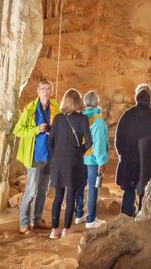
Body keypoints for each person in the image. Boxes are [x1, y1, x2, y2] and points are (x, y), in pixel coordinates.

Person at [9, 78, 55, 232]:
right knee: (31, 191)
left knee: (43, 190)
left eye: (48, 89)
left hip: (49, 155)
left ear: (51, 91)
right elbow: (18, 130)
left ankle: (37, 220)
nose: (46, 92)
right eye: (43, 89)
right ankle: (23, 223)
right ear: (38, 92)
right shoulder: (30, 110)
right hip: (34, 155)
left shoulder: (55, 107)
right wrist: (36, 130)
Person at [114, 84, 151, 217]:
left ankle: (125, 219)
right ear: (150, 98)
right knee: (146, 191)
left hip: (129, 160)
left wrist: (122, 154)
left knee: (129, 191)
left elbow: (118, 138)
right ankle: (142, 218)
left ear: (136, 97)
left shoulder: (127, 115)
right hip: (147, 161)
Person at [46, 89, 90, 238]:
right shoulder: (83, 119)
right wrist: (79, 151)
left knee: (58, 196)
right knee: (70, 194)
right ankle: (66, 229)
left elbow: (50, 140)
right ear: (78, 102)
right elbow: (89, 142)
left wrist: (56, 154)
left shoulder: (58, 119)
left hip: (58, 161)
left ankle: (54, 230)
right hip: (74, 161)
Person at [81, 90, 110, 228]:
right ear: (97, 102)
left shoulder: (81, 116)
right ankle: (91, 219)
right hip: (92, 160)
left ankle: (79, 214)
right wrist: (101, 162)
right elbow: (98, 143)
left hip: (80, 157)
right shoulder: (97, 120)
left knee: (80, 186)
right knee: (92, 188)